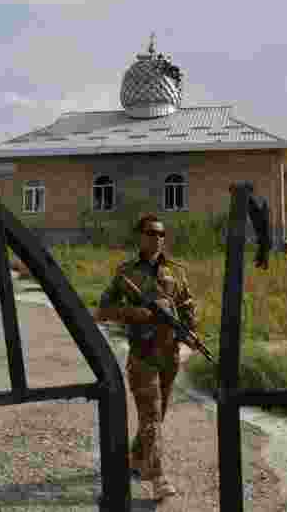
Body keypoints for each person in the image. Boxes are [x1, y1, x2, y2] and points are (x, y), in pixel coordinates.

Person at [93, 213, 198, 500]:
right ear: (140, 236)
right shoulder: (126, 273)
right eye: (152, 233)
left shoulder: (176, 271)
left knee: (157, 416)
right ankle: (158, 477)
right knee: (151, 417)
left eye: (162, 234)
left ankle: (135, 460)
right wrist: (134, 313)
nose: (158, 238)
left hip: (169, 355)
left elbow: (187, 306)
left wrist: (189, 330)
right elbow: (103, 310)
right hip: (142, 355)